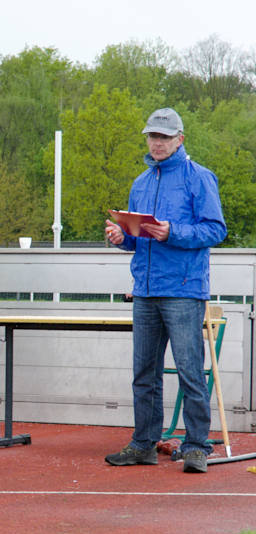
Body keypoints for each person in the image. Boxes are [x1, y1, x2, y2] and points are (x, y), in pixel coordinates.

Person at [104, 107, 227, 474]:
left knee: (190, 370)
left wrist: (172, 232)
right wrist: (120, 237)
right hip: (144, 289)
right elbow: (137, 239)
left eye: (164, 137)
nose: (156, 143)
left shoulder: (200, 178)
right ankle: (144, 443)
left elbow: (215, 231)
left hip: (184, 290)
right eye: (152, 137)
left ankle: (197, 446)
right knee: (144, 372)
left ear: (180, 139)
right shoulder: (141, 183)